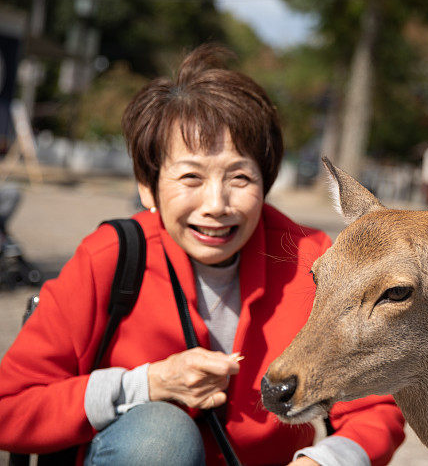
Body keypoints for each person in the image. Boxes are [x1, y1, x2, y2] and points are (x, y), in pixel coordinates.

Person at [0, 45, 405, 465]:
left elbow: (374, 409)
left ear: (265, 182)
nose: (217, 203)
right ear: (147, 185)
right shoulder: (109, 258)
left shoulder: (313, 262)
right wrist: (145, 385)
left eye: (240, 177)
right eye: (191, 176)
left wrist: (323, 461)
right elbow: (10, 407)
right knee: (161, 438)